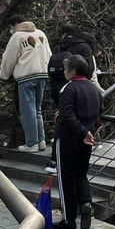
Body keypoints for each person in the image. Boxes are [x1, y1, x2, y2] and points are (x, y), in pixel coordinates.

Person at [52, 54, 103, 229]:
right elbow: (99, 113)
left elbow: (67, 114)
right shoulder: (93, 88)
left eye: (66, 69)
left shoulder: (68, 88)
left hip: (68, 137)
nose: (64, 71)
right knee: (81, 173)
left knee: (66, 177)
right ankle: (86, 203)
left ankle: (69, 219)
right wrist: (89, 132)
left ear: (73, 71)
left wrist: (82, 132)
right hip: (86, 140)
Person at [45, 24, 103, 173]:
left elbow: (67, 116)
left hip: (57, 88)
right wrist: (86, 132)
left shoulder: (60, 45)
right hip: (81, 92)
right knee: (80, 175)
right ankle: (87, 141)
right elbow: (99, 110)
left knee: (64, 121)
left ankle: (54, 162)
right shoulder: (83, 47)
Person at [0, 14, 51, 152]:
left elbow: (9, 59)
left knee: (28, 111)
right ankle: (41, 141)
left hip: (26, 76)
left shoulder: (17, 36)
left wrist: (3, 77)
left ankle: (31, 143)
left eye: (10, 27)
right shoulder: (41, 34)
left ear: (14, 24)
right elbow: (49, 55)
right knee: (37, 109)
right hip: (42, 74)